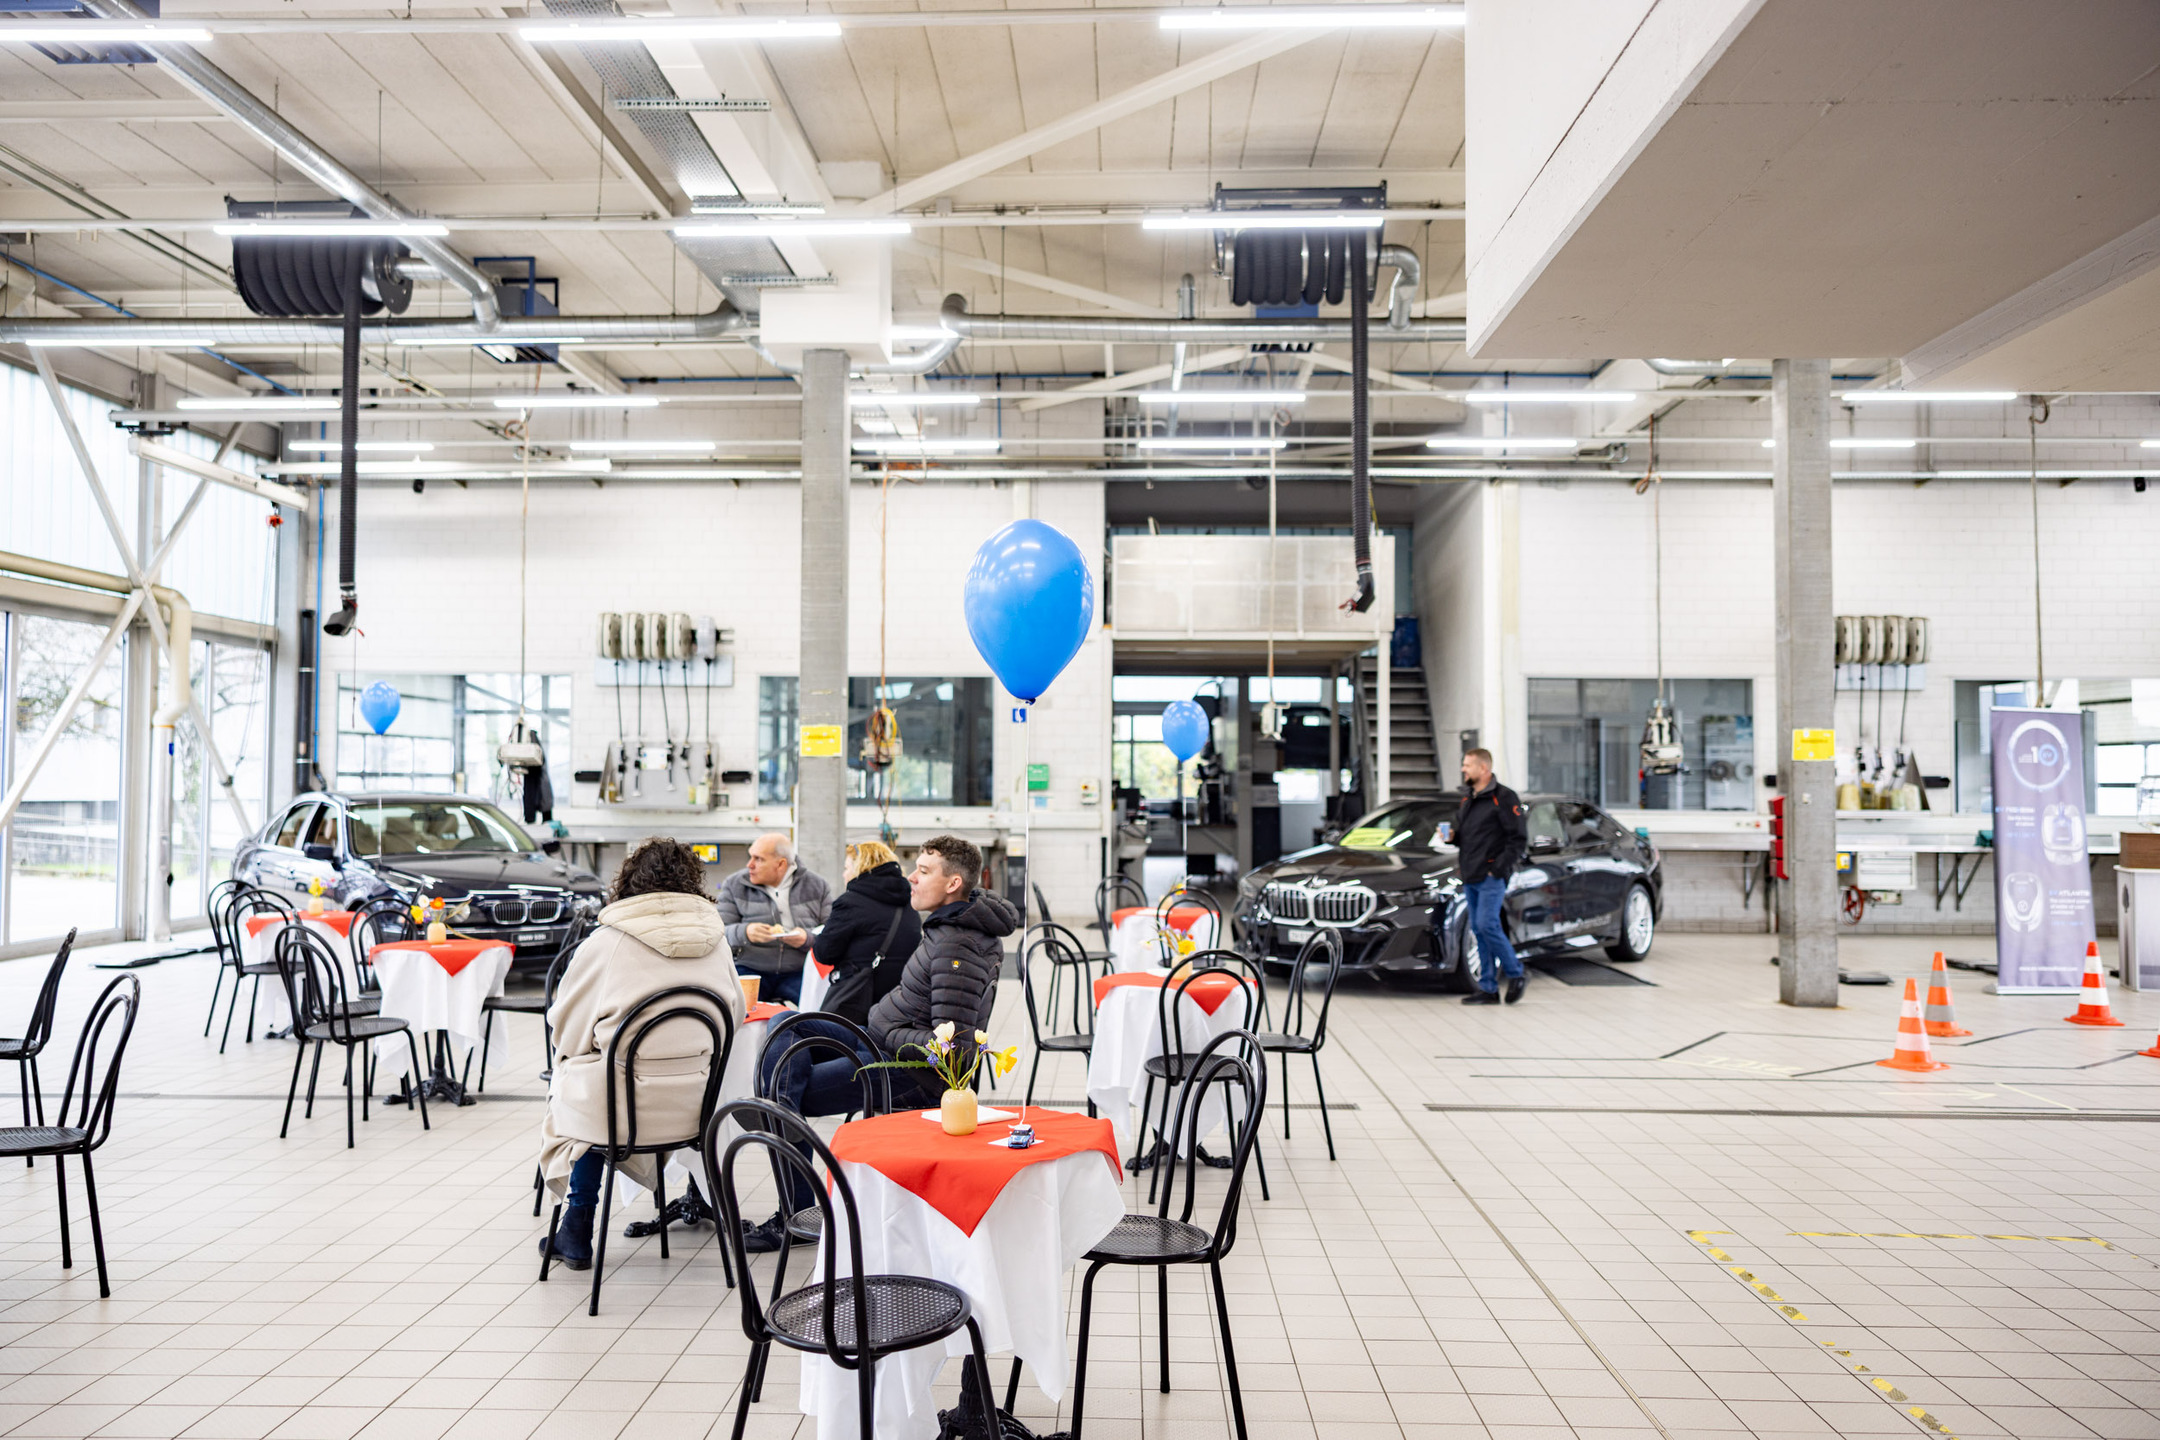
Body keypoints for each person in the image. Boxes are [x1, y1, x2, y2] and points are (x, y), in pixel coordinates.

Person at [742, 834, 1016, 1252]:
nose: (911, 878)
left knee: (785, 1092)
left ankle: (791, 1198)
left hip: (907, 1071)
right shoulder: (946, 927)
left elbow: (952, 1050)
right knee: (785, 1025)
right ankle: (779, 1116)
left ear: (953, 884)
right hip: (881, 1042)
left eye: (923, 871)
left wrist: (889, 1029)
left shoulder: (956, 944)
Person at [537, 838, 745, 1270]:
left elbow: (566, 1029)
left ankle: (577, 1226)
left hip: (621, 1112)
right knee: (600, 1085)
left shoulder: (606, 942)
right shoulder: (717, 941)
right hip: (693, 1110)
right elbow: (735, 1016)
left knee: (578, 1082)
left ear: (630, 880)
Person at [716, 832, 831, 1006]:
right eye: (750, 857)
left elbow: (831, 932)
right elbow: (720, 931)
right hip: (750, 968)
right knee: (737, 1009)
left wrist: (807, 939)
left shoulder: (817, 886)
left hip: (799, 970)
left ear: (781, 864)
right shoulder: (734, 885)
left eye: (758, 859)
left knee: (822, 1007)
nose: (749, 865)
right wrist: (745, 932)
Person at [814, 840, 921, 1025]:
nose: (844, 874)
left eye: (847, 868)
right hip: (896, 1009)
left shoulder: (851, 902)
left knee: (786, 1024)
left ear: (860, 868)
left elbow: (824, 953)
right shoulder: (910, 904)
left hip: (856, 1007)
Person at [1454, 747, 1528, 1006]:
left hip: (1490, 876)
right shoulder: (1468, 798)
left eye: (1467, 765)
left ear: (1483, 768)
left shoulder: (1504, 798)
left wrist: (1497, 869)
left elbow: (1518, 839)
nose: (1463, 769)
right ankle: (1488, 988)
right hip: (1470, 874)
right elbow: (1467, 836)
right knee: (1479, 929)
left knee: (1487, 925)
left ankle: (1517, 973)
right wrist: (1452, 837)